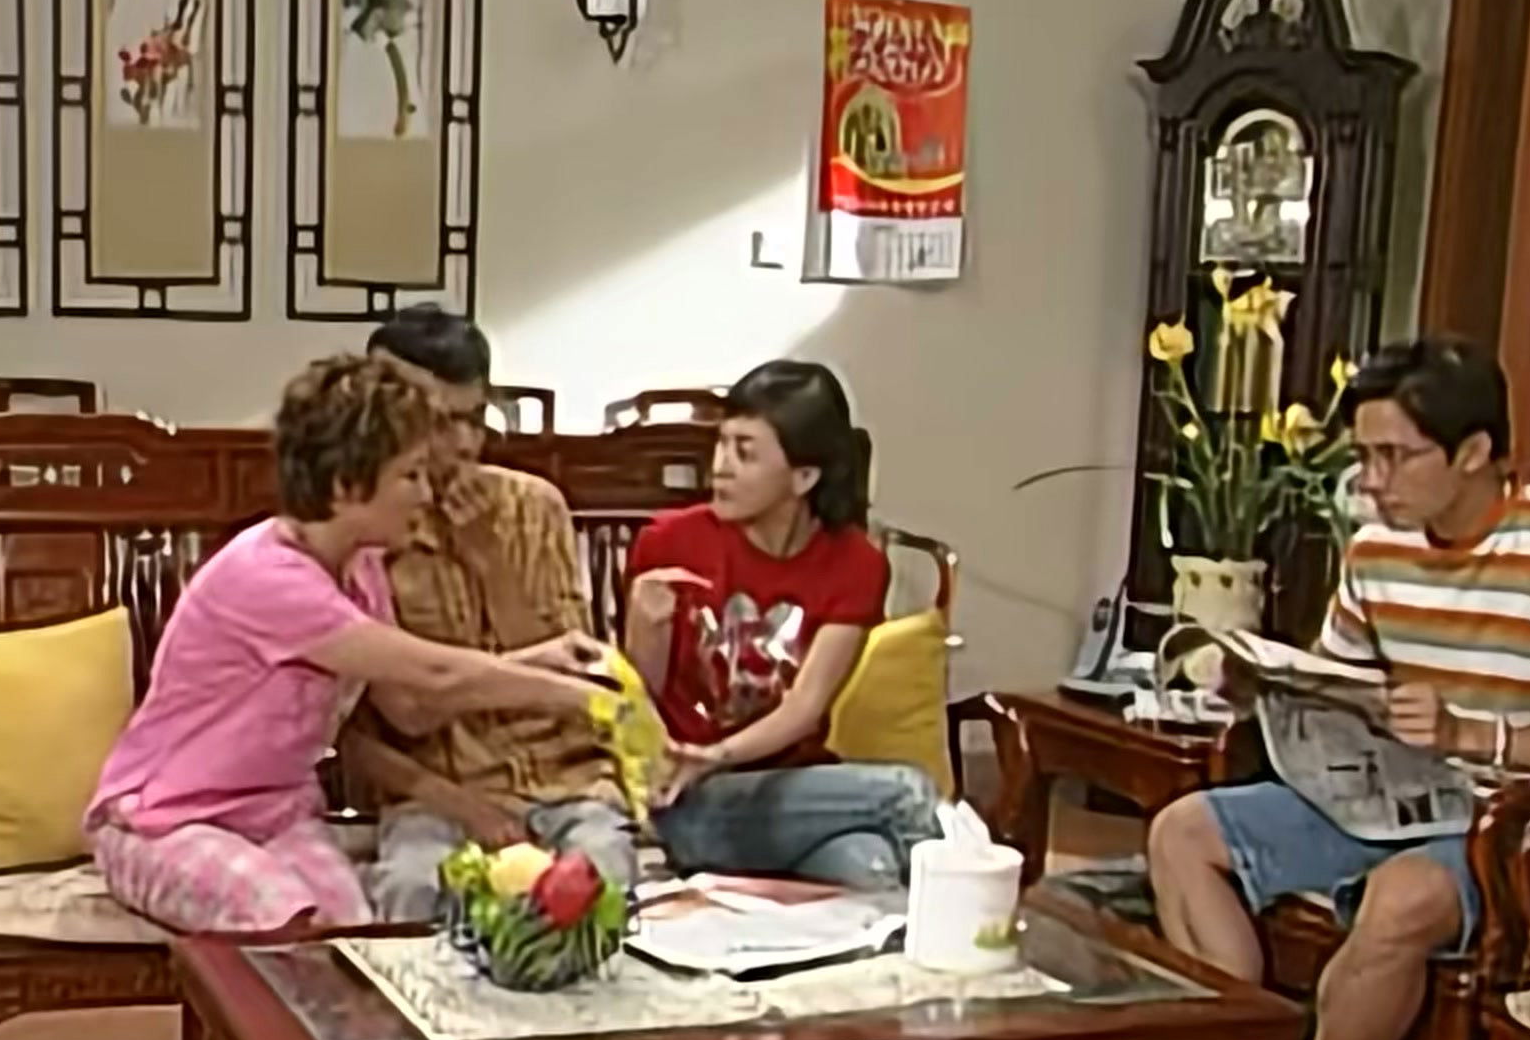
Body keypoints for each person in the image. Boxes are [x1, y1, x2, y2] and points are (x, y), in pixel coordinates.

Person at [1143, 337, 1530, 1040]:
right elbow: (1337, 681)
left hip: (1512, 832)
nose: (1373, 482)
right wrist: (1260, 685)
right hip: (1385, 794)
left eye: (1394, 457)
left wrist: (1474, 736)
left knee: (1401, 898)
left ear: (1474, 452)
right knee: (1181, 834)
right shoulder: (1377, 547)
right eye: (1365, 457)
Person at [87, 353, 614, 934]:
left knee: (355, 932)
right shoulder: (267, 576)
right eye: (410, 476)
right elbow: (437, 673)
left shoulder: (361, 567)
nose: (426, 494)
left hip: (275, 814)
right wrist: (587, 700)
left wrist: (541, 660)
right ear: (344, 487)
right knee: (285, 917)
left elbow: (411, 705)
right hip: (164, 820)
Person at [339, 306, 640, 922]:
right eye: (440, 423)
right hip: (437, 793)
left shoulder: (534, 506)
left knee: (600, 877)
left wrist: (486, 558)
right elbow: (407, 714)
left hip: (565, 782)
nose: (464, 445)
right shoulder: (366, 533)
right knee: (412, 889)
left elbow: (570, 664)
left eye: (475, 419)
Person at [617, 360, 942, 888]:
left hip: (793, 792)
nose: (720, 466)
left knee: (871, 869)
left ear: (804, 477)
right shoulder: (669, 543)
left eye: (744, 452)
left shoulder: (856, 564)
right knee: (906, 794)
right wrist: (645, 627)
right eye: (721, 444)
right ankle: (966, 920)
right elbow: (634, 702)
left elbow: (804, 708)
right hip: (686, 797)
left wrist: (716, 755)